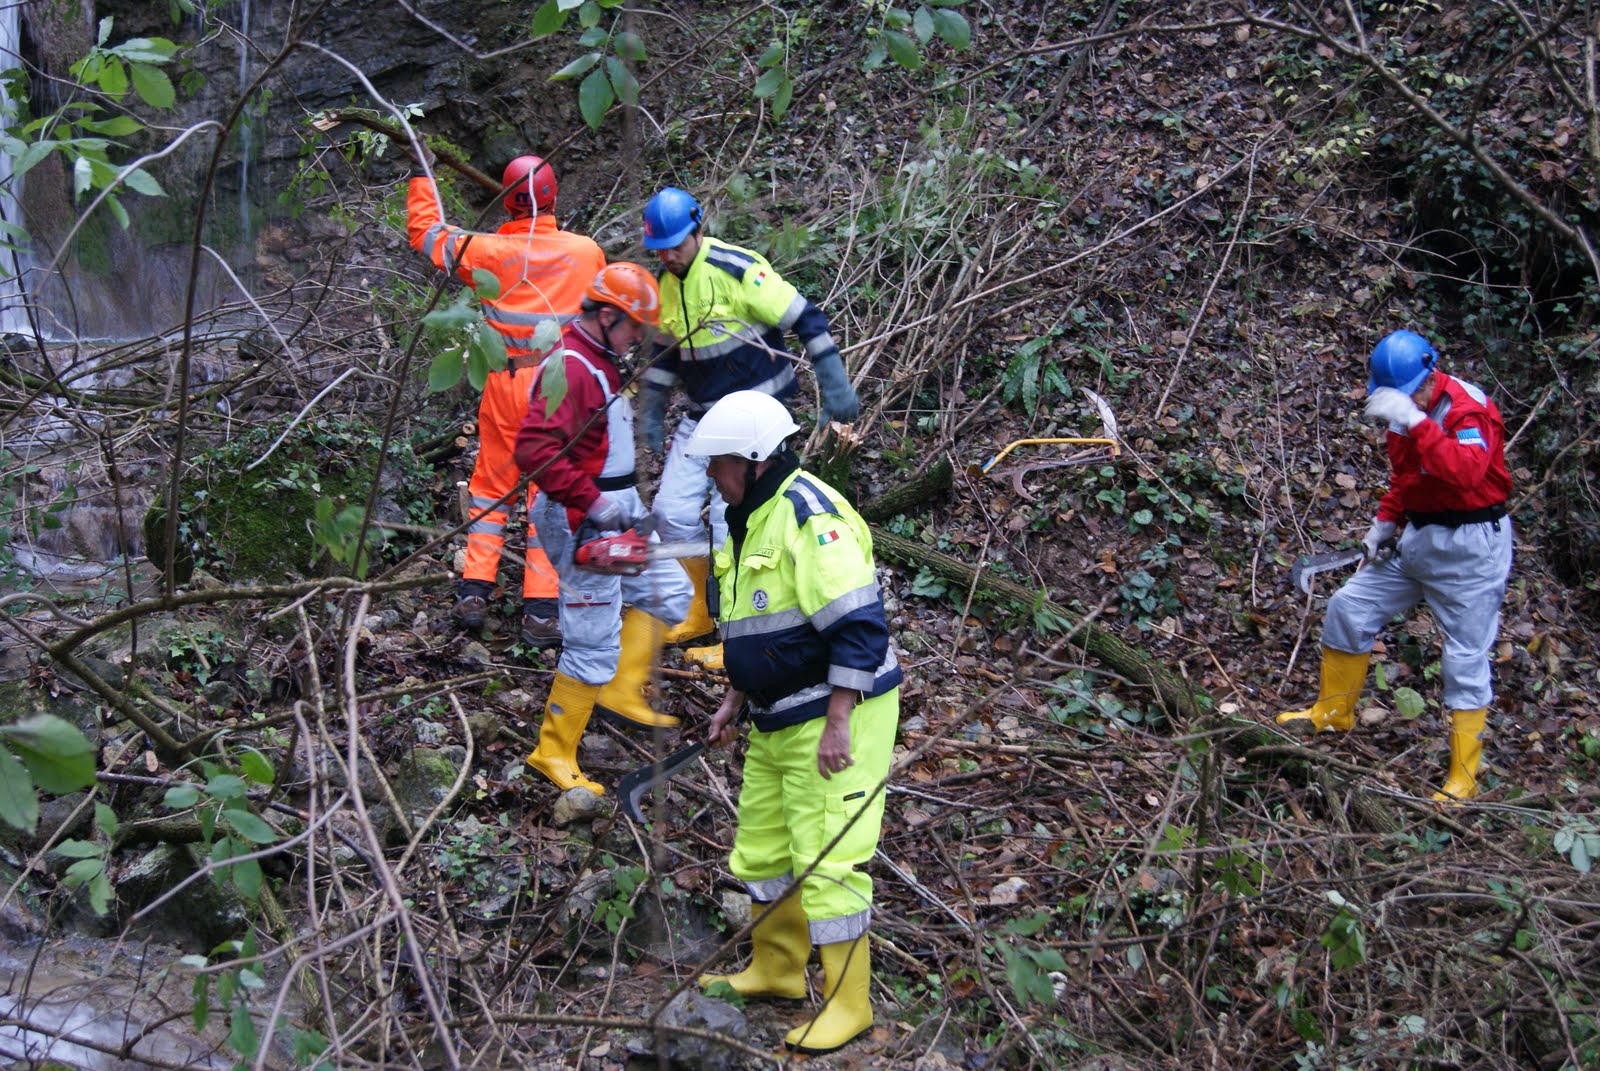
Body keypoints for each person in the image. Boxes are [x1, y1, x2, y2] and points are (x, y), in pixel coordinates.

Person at [687, 391, 900, 1054]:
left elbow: (860, 629)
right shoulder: (745, 516)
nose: (711, 474)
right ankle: (777, 969)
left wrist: (839, 720)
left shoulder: (811, 514)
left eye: (718, 462)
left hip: (836, 711)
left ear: (752, 460)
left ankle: (847, 1005)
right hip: (776, 712)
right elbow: (756, 628)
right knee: (765, 847)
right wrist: (734, 695)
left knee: (829, 857)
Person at [1276, 329, 1513, 801]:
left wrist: (1417, 421)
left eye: (1408, 396)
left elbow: (1466, 474)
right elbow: (1405, 477)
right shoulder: (1403, 413)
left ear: (1430, 377)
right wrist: (1383, 526)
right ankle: (1332, 713)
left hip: (1471, 548)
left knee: (1464, 657)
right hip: (1419, 538)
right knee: (1348, 606)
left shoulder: (1466, 408)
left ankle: (1463, 777)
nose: (1404, 404)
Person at [635, 187, 861, 668]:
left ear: (698, 231)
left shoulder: (736, 270)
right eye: (662, 249)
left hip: (755, 414)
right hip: (703, 414)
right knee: (672, 511)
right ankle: (695, 611)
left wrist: (833, 383)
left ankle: (733, 630)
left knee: (730, 520)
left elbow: (807, 318)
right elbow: (665, 356)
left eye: (677, 245)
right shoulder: (666, 287)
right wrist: (652, 409)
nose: (671, 256)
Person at [408, 152, 605, 646]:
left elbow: (428, 235)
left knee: (491, 488)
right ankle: (540, 609)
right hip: (560, 386)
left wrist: (421, 174)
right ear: (553, 197)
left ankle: (475, 589)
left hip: (505, 382)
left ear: (506, 201)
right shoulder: (585, 253)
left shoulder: (488, 251)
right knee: (550, 493)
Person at [512, 264, 693, 793]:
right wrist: (594, 505)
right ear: (608, 314)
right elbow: (534, 450)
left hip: (615, 501)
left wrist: (622, 507)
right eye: (635, 326)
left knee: (672, 594)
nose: (639, 337)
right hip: (579, 513)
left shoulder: (599, 359)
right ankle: (553, 752)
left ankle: (617, 690)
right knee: (591, 642)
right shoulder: (569, 367)